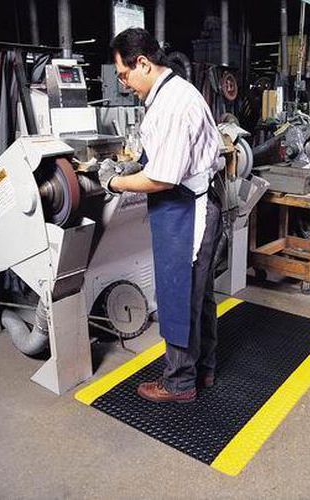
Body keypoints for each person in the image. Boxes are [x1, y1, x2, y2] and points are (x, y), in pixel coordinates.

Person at [98, 28, 222, 403]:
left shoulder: (170, 104)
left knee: (178, 294)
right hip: (192, 202)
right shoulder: (174, 91)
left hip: (186, 210)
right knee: (198, 295)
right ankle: (204, 369)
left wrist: (115, 182)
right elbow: (162, 156)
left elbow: (163, 178)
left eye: (124, 75)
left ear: (143, 63)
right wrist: (135, 164)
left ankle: (179, 383)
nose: (123, 84)